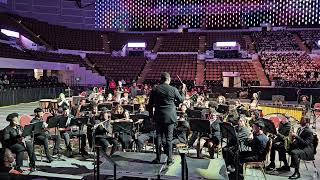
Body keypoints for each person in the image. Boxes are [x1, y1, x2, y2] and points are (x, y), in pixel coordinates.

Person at [148, 72, 186, 165]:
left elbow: (150, 104)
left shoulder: (155, 89)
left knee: (158, 137)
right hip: (170, 118)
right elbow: (181, 100)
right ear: (169, 79)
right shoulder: (173, 89)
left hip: (158, 117)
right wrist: (183, 90)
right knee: (169, 139)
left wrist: (150, 116)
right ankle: (169, 159)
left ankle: (157, 158)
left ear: (161, 79)